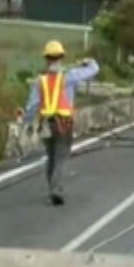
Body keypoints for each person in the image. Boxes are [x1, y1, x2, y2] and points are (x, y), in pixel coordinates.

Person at [23, 40, 99, 206]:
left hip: (47, 124)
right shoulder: (69, 77)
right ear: (62, 57)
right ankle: (55, 190)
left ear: (46, 59)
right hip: (64, 124)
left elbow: (32, 106)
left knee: (51, 157)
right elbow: (94, 70)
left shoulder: (39, 81)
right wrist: (88, 62)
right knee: (61, 157)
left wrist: (27, 123)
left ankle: (52, 187)